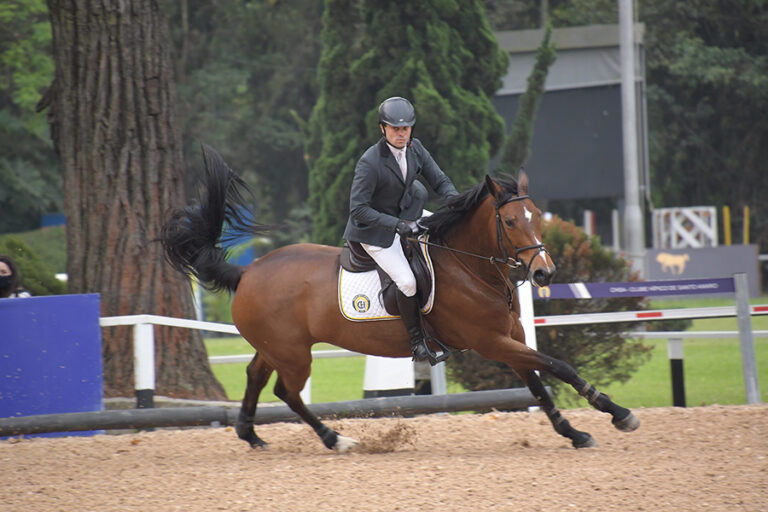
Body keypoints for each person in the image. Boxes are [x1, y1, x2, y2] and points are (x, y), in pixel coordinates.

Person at [343, 97, 458, 362]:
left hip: (407, 214)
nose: (401, 134)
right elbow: (358, 209)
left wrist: (457, 205)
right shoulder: (369, 162)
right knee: (407, 282)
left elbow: (439, 181)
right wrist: (397, 226)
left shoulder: (415, 149)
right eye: (395, 129)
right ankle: (417, 343)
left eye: (405, 129)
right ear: (382, 129)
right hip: (375, 232)